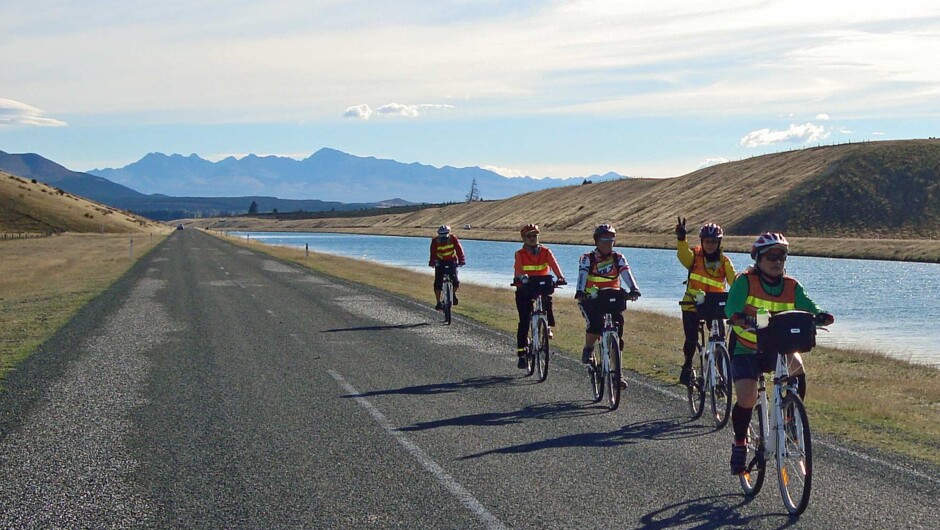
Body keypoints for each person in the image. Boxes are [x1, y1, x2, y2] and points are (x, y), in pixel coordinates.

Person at [725, 232, 834, 475]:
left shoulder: (791, 285)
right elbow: (731, 307)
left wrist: (820, 314)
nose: (778, 261)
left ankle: (789, 418)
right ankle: (740, 443)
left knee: (798, 368)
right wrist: (738, 317)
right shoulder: (745, 281)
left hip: (777, 347)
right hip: (746, 348)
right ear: (758, 258)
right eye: (771, 256)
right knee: (747, 399)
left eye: (782, 256)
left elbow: (808, 305)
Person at [575, 224, 641, 389]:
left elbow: (626, 273)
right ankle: (589, 348)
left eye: (611, 240)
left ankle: (617, 374)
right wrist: (580, 290)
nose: (608, 244)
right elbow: (583, 273)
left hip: (612, 297)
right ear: (597, 241)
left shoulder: (618, 257)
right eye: (604, 240)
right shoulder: (587, 258)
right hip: (591, 298)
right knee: (595, 325)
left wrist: (634, 289)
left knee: (618, 334)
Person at [675, 218, 736, 385]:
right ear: (702, 241)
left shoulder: (724, 262)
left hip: (715, 306)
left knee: (720, 339)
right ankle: (687, 366)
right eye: (707, 241)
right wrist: (681, 239)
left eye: (714, 241)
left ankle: (722, 375)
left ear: (719, 242)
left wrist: (744, 293)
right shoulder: (694, 256)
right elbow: (683, 255)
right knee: (691, 339)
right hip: (692, 304)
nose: (710, 244)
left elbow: (734, 281)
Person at [513, 224, 566, 369]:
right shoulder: (520, 254)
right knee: (524, 321)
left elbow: (554, 264)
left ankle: (547, 326)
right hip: (526, 287)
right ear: (524, 238)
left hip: (542, 285)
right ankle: (522, 354)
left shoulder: (546, 251)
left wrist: (560, 277)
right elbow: (518, 269)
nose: (532, 238)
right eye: (529, 236)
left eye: (534, 236)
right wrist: (518, 279)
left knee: (547, 302)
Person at [429, 225, 466, 310]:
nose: (443, 237)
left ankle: (452, 294)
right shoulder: (435, 241)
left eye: (445, 235)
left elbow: (459, 250)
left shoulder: (453, 238)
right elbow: (433, 253)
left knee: (455, 281)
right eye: (441, 235)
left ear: (448, 233)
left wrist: (461, 260)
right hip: (440, 261)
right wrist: (432, 262)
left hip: (451, 261)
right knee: (438, 282)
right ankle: (438, 302)